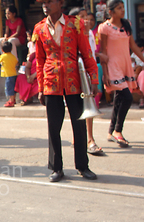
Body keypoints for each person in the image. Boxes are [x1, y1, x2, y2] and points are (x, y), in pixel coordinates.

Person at [34, 0, 99, 182]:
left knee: (79, 125)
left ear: (60, 3)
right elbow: (39, 60)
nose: (45, 5)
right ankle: (56, 168)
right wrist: (40, 88)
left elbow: (87, 53)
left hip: (74, 81)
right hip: (50, 82)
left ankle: (82, 166)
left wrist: (94, 78)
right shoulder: (38, 29)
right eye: (44, 2)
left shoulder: (75, 24)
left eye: (49, 1)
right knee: (53, 126)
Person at [100, 0, 144, 148]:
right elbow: (104, 52)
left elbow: (133, 46)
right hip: (113, 67)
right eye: (119, 8)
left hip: (124, 65)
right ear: (111, 11)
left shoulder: (127, 25)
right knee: (127, 97)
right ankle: (118, 131)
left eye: (123, 7)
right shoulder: (104, 28)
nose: (122, 10)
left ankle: (111, 131)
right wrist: (105, 73)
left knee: (119, 98)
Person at [70, 7, 104, 155]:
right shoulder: (70, 34)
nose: (87, 20)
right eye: (82, 17)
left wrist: (93, 77)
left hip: (86, 74)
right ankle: (77, 137)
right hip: (73, 75)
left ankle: (90, 139)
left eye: (88, 17)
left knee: (88, 106)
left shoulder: (89, 33)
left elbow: (90, 55)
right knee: (76, 108)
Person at [0, 41, 18, 107]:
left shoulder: (3, 56)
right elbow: (16, 62)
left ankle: (11, 101)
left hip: (8, 75)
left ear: (2, 50)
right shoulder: (13, 57)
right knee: (13, 88)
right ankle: (13, 99)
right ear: (11, 49)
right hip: (13, 74)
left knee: (9, 88)